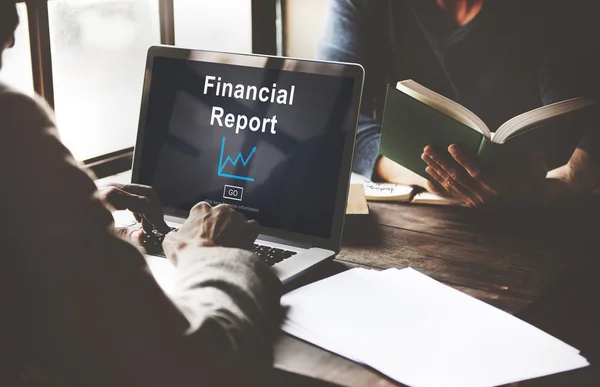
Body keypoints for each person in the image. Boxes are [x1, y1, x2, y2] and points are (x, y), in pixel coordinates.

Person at [0, 3, 282, 387]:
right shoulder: (11, 125)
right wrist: (212, 253)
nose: (15, 32)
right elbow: (197, 367)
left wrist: (77, 229)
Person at [319, 0, 600, 207]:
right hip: (416, 213)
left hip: (544, 215)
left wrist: (554, 186)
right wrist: (425, 175)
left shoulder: (556, 11)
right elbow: (332, 119)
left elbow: (581, 118)